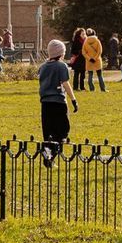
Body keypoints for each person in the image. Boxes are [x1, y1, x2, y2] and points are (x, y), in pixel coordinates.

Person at [37, 39, 79, 168]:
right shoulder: (61, 66)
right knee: (63, 129)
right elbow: (65, 83)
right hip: (58, 101)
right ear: (60, 53)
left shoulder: (43, 67)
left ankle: (47, 154)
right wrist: (73, 99)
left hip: (45, 102)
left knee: (48, 130)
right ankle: (54, 150)